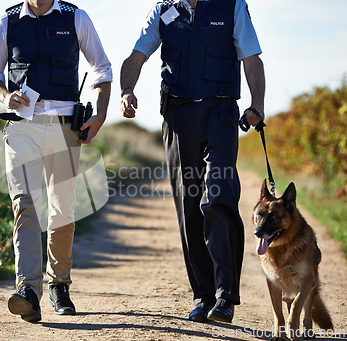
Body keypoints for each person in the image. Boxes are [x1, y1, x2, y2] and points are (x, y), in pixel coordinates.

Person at [120, 0, 265, 324]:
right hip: (178, 116)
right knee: (189, 205)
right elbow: (136, 56)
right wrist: (127, 90)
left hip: (220, 114)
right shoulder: (162, 11)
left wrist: (257, 104)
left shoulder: (231, 7)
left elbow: (251, 58)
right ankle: (203, 295)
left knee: (217, 197)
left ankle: (226, 296)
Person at [0, 0, 112, 323]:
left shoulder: (76, 18)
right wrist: (5, 95)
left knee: (62, 207)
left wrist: (100, 113)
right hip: (21, 127)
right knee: (25, 203)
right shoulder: (8, 21)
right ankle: (28, 289)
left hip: (65, 129)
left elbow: (103, 69)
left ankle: (59, 285)